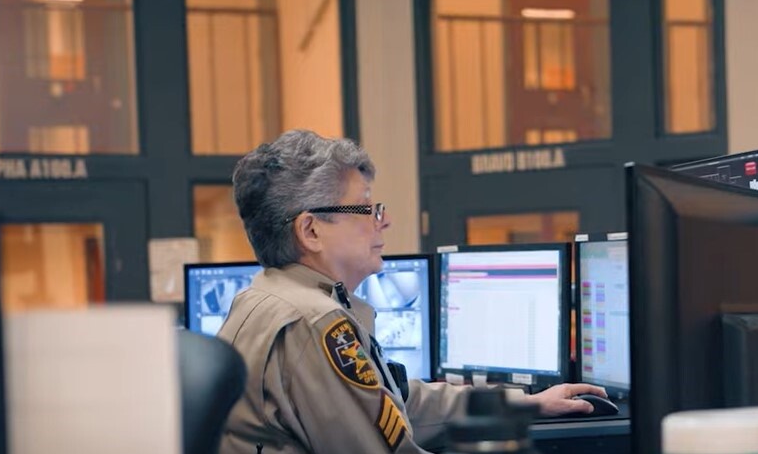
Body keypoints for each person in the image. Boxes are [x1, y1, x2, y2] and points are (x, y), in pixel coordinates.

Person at [217, 129, 607, 453]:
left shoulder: (265, 298)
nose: (383, 223)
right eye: (367, 207)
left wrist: (522, 402)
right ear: (311, 231)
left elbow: (395, 406)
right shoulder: (315, 322)